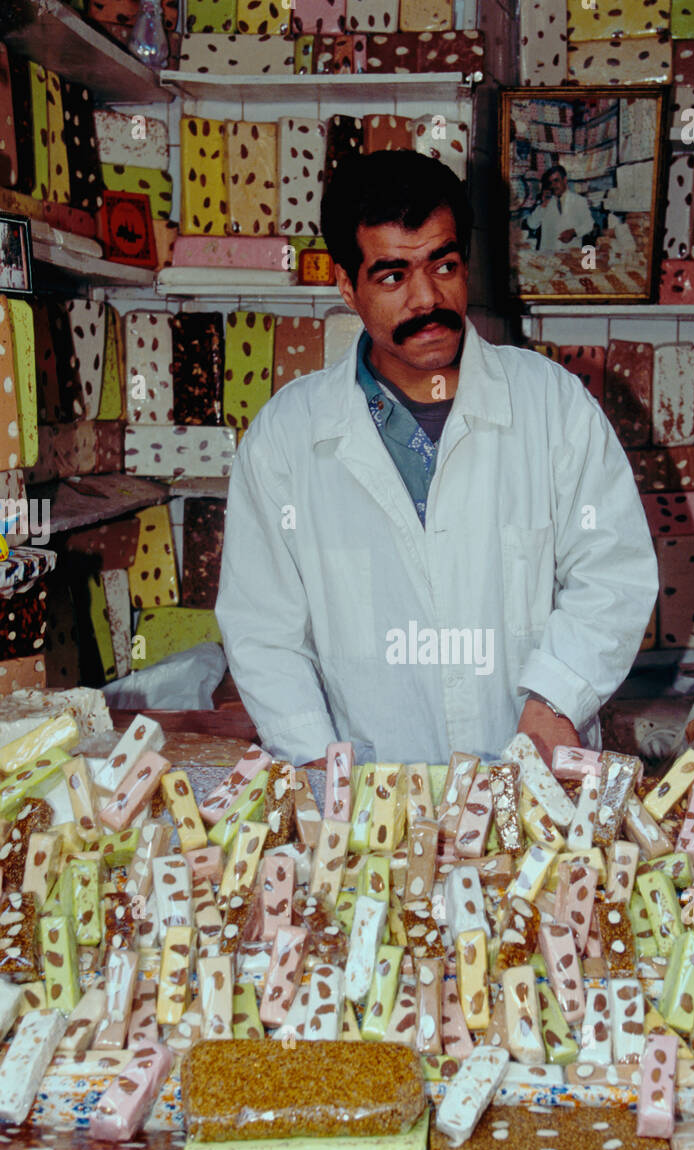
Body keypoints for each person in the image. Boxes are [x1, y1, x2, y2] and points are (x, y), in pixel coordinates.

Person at [216, 151, 657, 768]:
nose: (428, 299)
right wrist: (320, 766)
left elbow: (612, 574)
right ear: (347, 285)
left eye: (443, 265)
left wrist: (557, 699)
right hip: (367, 806)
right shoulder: (285, 441)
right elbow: (264, 632)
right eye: (393, 276)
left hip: (534, 788)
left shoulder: (552, 406)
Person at [522, 164, 594, 254]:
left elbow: (589, 224)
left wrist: (574, 232)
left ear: (565, 180)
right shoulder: (545, 202)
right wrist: (543, 205)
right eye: (550, 182)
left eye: (556, 180)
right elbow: (531, 224)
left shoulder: (579, 201)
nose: (553, 185)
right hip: (548, 256)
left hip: (570, 255)